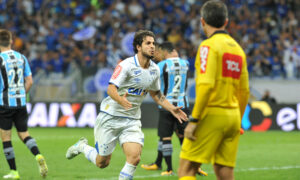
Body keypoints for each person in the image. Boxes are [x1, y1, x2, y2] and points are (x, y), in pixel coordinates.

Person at [65, 30, 188, 180]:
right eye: (148, 43)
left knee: (134, 158)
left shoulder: (154, 69)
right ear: (138, 47)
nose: (152, 47)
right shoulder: (126, 65)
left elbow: (156, 94)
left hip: (132, 120)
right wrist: (121, 100)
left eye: (154, 43)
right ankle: (82, 146)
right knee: (102, 162)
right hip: (110, 117)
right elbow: (111, 89)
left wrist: (172, 108)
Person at [178, 1, 250, 180]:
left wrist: (194, 120)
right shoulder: (238, 50)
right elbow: (245, 91)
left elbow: (206, 85)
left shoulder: (208, 46)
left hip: (212, 114)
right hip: (233, 116)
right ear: (226, 22)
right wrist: (238, 121)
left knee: (187, 169)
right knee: (224, 171)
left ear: (202, 22)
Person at [141, 42, 207, 176]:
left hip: (166, 106)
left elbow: (149, 81)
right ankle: (194, 166)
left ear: (164, 52)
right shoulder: (186, 63)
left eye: (158, 53)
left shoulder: (161, 65)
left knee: (165, 137)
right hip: (183, 105)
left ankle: (169, 169)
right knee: (185, 136)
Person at [0, 29, 48, 179]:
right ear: (11, 41)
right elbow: (30, 81)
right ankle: (38, 155)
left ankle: (14, 172)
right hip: (21, 103)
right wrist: (21, 94)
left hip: (5, 103)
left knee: (6, 137)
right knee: (24, 134)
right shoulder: (22, 57)